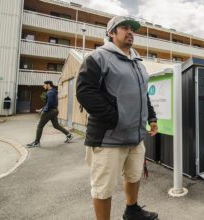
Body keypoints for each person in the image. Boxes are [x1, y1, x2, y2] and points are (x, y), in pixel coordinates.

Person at [76, 16, 159, 220]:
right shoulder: (98, 57)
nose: (130, 31)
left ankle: (132, 211)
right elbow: (85, 91)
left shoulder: (138, 63)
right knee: (103, 187)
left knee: (133, 176)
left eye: (133, 29)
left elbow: (143, 94)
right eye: (124, 28)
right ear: (111, 33)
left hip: (135, 135)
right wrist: (115, 118)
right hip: (108, 138)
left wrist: (152, 117)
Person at [27, 81, 74, 148]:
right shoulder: (53, 91)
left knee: (40, 125)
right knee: (56, 125)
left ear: (48, 85)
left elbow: (50, 103)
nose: (43, 86)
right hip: (54, 110)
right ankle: (69, 135)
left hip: (50, 111)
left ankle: (36, 142)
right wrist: (42, 109)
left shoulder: (50, 92)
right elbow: (49, 103)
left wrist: (44, 111)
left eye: (44, 85)